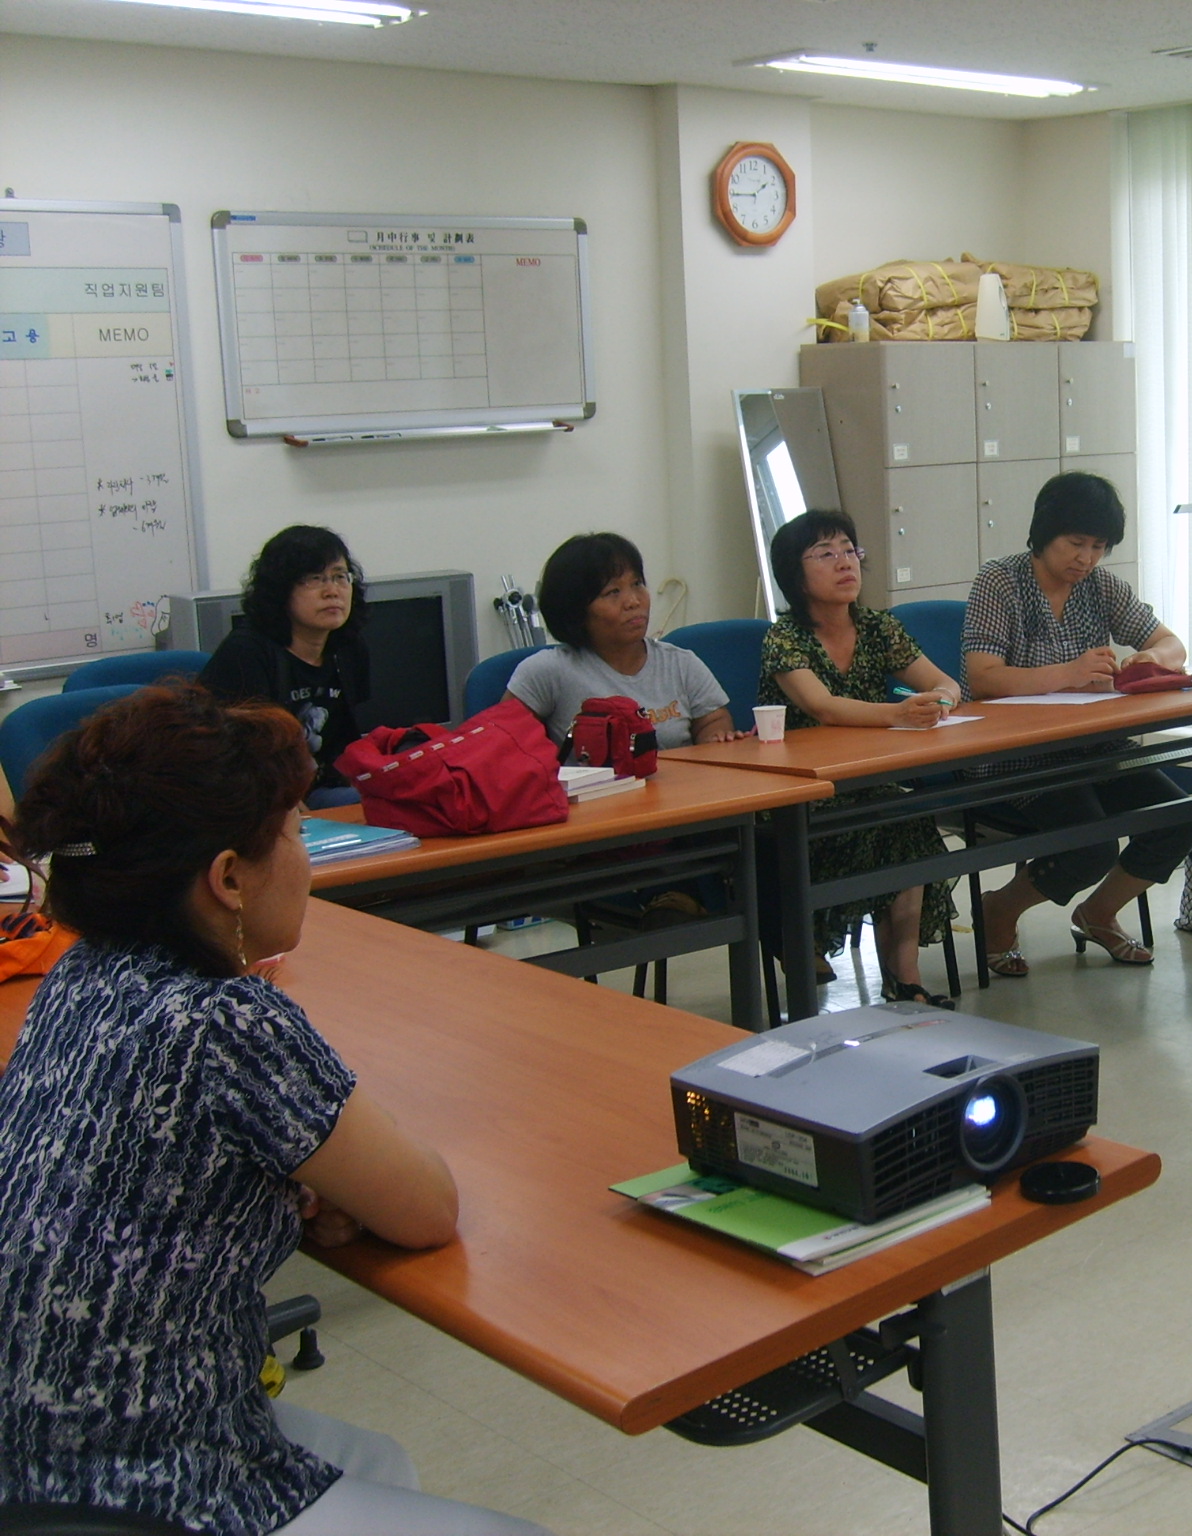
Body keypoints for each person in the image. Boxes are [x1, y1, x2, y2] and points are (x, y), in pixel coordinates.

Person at [0, 683, 550, 1535]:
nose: (303, 855)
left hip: (33, 1454)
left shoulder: (79, 975)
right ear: (226, 878)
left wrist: (293, 1192)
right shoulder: (226, 1020)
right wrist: (332, 1187)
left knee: (380, 1464)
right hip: (147, 1484)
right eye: (294, 833)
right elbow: (426, 1207)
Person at [962, 471, 1192, 976]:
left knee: (1178, 818)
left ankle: (1098, 913)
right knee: (1091, 843)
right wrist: (1066, 674)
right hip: (1016, 758)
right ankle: (999, 909)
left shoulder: (1101, 587)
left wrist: (1148, 659)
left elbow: (1173, 645)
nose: (1085, 559)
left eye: (1098, 547)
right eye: (1075, 543)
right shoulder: (1000, 582)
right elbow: (982, 678)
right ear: (1043, 533)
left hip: (1093, 749)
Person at [758, 510, 962, 1006]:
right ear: (794, 574)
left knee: (910, 825)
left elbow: (947, 683)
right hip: (803, 794)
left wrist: (939, 704)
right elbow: (822, 708)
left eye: (850, 550)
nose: (845, 562)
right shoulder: (784, 637)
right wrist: (898, 714)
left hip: (868, 782)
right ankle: (801, 940)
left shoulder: (877, 627)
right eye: (825, 554)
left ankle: (905, 976)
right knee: (885, 823)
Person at [508, 532, 741, 747]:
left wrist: (716, 736)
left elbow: (713, 720)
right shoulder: (549, 671)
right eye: (613, 592)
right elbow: (503, 741)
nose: (633, 601)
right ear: (575, 610)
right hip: (597, 793)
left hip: (680, 790)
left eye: (637, 584)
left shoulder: (680, 663)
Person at [199, 524, 371, 807]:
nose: (333, 591)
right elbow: (232, 757)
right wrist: (285, 807)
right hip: (251, 798)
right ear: (280, 590)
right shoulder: (247, 652)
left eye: (340, 577)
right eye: (315, 579)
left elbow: (347, 740)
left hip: (321, 789)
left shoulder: (348, 649)